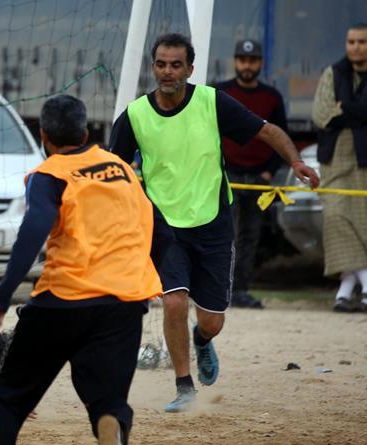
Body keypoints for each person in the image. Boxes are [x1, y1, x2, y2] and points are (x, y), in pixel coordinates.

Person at [0, 95, 166, 445]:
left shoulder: (49, 174)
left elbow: (32, 232)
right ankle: (111, 428)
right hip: (124, 303)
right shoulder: (124, 170)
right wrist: (144, 277)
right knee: (104, 396)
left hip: (63, 300)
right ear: (88, 134)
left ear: (44, 137)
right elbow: (162, 231)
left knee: (10, 399)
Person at [109, 33, 320, 413]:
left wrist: (296, 161)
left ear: (190, 69)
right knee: (173, 302)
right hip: (165, 228)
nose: (167, 71)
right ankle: (183, 386)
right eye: (161, 64)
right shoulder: (135, 115)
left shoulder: (211, 102)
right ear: (153, 66)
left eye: (176, 65)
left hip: (213, 224)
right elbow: (114, 171)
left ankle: (202, 341)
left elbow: (268, 131)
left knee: (212, 321)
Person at [214, 39, 289, 309]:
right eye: (243, 60)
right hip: (227, 175)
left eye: (253, 60)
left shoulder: (272, 97)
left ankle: (241, 289)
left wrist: (269, 173)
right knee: (225, 234)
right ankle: (220, 288)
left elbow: (280, 138)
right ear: (235, 61)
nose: (247, 65)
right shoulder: (220, 92)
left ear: (260, 63)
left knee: (250, 236)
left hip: (259, 179)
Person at [312, 23, 367, 313]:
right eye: (351, 41)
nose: (355, 47)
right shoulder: (333, 72)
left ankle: (347, 288)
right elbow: (321, 114)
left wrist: (345, 109)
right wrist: (363, 112)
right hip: (335, 158)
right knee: (335, 215)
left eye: (361, 41)